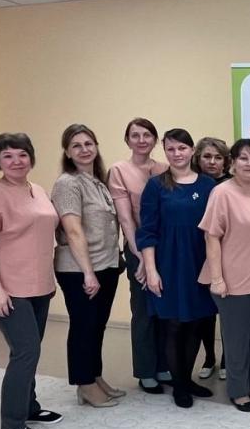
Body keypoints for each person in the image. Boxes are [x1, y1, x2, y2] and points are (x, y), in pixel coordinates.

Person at [0, 133, 64, 429]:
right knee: (26, 351)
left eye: (22, 154)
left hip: (38, 284)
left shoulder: (37, 190)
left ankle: (29, 407)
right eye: (8, 156)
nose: (16, 161)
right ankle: (11, 426)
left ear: (31, 158)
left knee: (31, 349)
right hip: (7, 287)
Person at [137, 128, 217, 408]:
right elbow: (147, 231)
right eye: (170, 149)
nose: (177, 153)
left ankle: (187, 378)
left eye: (182, 148)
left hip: (200, 262)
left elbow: (217, 227)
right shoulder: (156, 186)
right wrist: (151, 270)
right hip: (169, 263)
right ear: (165, 151)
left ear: (192, 150)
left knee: (196, 322)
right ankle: (179, 385)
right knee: (173, 324)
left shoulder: (209, 186)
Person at [200, 138, 250, 412]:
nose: (249, 163)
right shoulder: (222, 193)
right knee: (237, 341)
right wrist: (217, 279)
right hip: (234, 281)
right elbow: (212, 237)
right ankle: (238, 390)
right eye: (243, 158)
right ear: (232, 163)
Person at [51, 124, 123, 408]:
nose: (84, 149)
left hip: (106, 264)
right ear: (67, 152)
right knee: (83, 326)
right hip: (79, 269)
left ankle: (95, 376)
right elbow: (73, 230)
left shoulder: (98, 182)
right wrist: (88, 273)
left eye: (88, 143)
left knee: (97, 326)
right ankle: (84, 384)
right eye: (76, 145)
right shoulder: (68, 183)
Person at [107, 118, 169, 394]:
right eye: (135, 135)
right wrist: (142, 257)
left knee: (165, 310)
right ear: (127, 140)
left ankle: (164, 365)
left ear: (155, 139)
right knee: (143, 310)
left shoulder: (165, 169)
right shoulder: (119, 171)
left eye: (147, 135)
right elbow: (125, 219)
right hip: (137, 248)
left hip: (166, 249)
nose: (142, 140)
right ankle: (146, 370)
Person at [194, 136, 230, 381]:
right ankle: (209, 357)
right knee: (205, 312)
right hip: (198, 253)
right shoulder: (191, 183)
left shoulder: (231, 184)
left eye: (218, 157)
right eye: (207, 156)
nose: (212, 162)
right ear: (198, 158)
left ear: (226, 161)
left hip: (226, 254)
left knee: (228, 311)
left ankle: (228, 359)